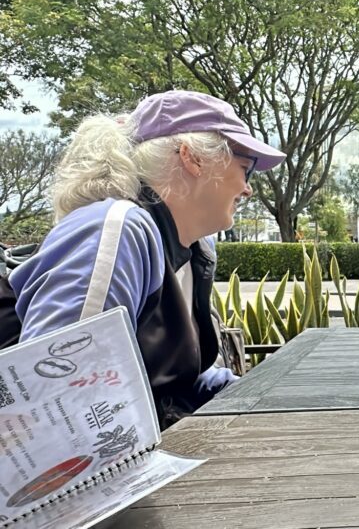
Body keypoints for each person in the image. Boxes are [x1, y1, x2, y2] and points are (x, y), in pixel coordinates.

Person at [9, 90, 285, 428]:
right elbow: (54, 400)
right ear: (192, 158)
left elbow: (173, 380)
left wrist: (263, 398)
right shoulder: (114, 228)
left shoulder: (190, 250)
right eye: (246, 168)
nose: (247, 189)